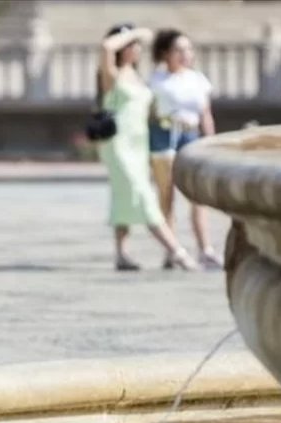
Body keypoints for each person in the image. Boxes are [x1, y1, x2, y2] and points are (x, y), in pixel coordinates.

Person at [96, 24, 197, 272]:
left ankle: (121, 253)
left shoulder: (138, 76)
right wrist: (135, 32)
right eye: (132, 46)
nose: (137, 49)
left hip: (139, 143)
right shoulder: (112, 74)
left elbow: (149, 112)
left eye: (138, 46)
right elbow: (106, 47)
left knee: (123, 196)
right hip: (118, 143)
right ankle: (178, 251)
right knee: (142, 195)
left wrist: (172, 120)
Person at [148, 29, 223, 271]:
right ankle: (172, 250)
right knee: (166, 196)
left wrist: (210, 142)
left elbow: (205, 114)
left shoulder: (197, 79)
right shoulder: (156, 81)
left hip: (191, 136)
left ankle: (205, 249)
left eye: (188, 49)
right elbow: (148, 114)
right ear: (165, 53)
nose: (185, 55)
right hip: (165, 136)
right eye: (178, 50)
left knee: (197, 197)